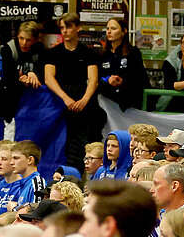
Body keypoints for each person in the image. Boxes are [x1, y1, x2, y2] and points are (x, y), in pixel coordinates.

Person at [44, 14, 103, 173]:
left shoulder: (89, 53)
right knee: (67, 146)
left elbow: (93, 80)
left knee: (89, 144)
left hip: (85, 105)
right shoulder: (53, 53)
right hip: (61, 105)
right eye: (62, 28)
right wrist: (65, 99)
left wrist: (84, 100)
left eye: (68, 27)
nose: (64, 31)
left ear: (78, 28)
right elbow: (49, 78)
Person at [96, 16, 147, 111]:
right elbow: (98, 77)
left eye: (113, 28)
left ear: (124, 31)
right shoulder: (102, 54)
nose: (109, 31)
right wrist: (108, 80)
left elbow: (139, 78)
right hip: (107, 103)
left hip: (130, 103)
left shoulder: (133, 52)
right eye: (107, 29)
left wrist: (122, 82)